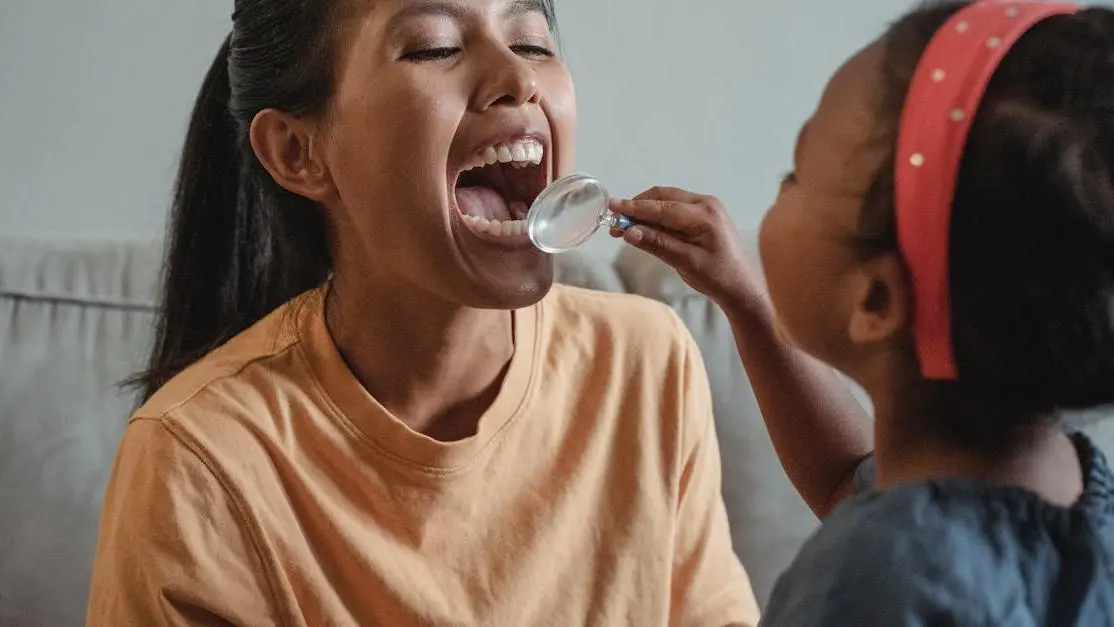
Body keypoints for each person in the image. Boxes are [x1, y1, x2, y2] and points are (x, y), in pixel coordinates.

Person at [85, 0, 763, 625]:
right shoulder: (197, 459)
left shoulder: (646, 362)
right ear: (299, 152)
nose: (515, 78)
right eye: (434, 48)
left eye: (530, 40)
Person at [612, 0, 1114, 623]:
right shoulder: (1075, 497)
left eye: (794, 174)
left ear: (875, 300)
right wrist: (747, 301)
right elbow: (849, 485)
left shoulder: (867, 584)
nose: (779, 189)